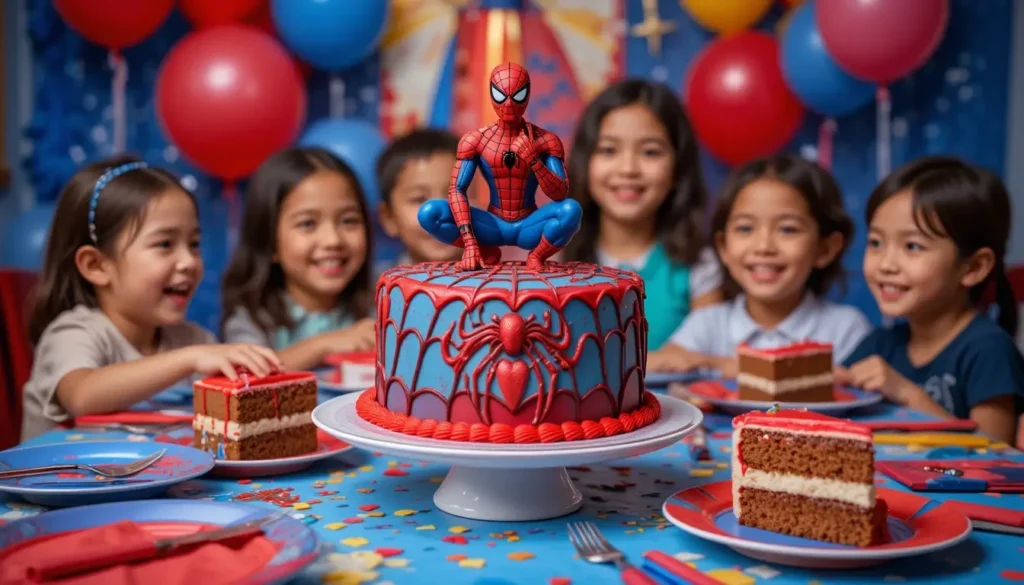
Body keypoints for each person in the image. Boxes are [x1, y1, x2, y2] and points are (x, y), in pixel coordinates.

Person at [22, 156, 280, 440]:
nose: (188, 261)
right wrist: (189, 359)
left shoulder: (194, 340)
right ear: (97, 266)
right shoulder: (74, 332)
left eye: (193, 244)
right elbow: (82, 395)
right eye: (164, 244)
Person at [840, 157, 1024, 443]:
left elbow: (997, 454)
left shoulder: (988, 350)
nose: (886, 264)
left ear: (973, 267)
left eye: (912, 246)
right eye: (876, 243)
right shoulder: (881, 344)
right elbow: (835, 387)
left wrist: (907, 394)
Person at [649, 154, 871, 375]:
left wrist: (720, 365)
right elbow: (651, 366)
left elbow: (855, 388)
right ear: (723, 246)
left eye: (787, 229)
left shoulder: (846, 329)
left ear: (825, 249)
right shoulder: (709, 323)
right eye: (745, 228)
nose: (764, 246)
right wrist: (701, 362)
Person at [562, 79, 722, 350]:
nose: (628, 169)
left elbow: (706, 363)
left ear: (677, 170)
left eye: (650, 152)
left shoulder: (700, 269)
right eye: (609, 150)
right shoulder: (555, 260)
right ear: (584, 164)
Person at [221, 147, 375, 371]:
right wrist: (323, 345)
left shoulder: (381, 307)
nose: (332, 240)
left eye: (348, 220)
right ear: (270, 242)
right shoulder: (252, 318)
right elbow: (248, 378)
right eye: (308, 223)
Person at [376, 128, 462, 265]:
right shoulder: (380, 285)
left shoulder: (503, 283)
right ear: (389, 218)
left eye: (455, 195)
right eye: (419, 199)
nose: (442, 213)